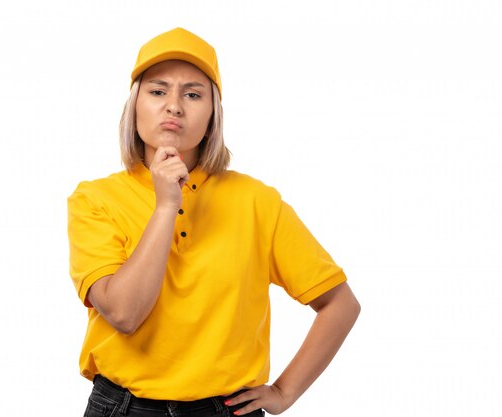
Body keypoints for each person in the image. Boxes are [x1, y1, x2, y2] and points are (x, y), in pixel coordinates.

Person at [68, 27, 360, 417]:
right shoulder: (95, 199)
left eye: (192, 94)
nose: (174, 106)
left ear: (212, 114)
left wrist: (284, 392)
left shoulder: (257, 201)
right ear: (135, 105)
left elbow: (340, 304)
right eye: (157, 91)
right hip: (123, 407)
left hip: (227, 409)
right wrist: (165, 206)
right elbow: (124, 313)